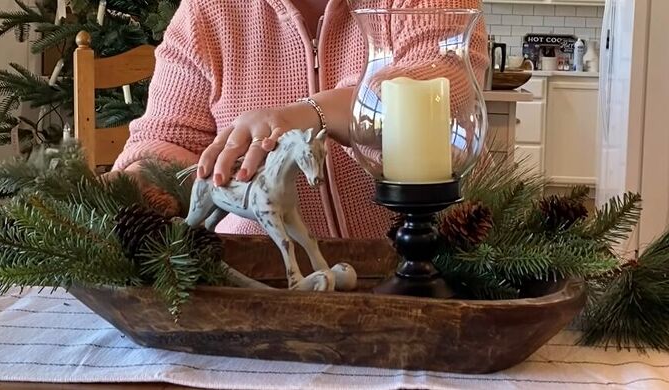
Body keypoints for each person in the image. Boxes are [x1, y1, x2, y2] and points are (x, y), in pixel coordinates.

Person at [112, 0, 487, 238]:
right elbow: (170, 140)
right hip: (254, 279)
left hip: (420, 267)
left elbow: (443, 85)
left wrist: (309, 114)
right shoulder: (206, 13)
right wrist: (133, 185)